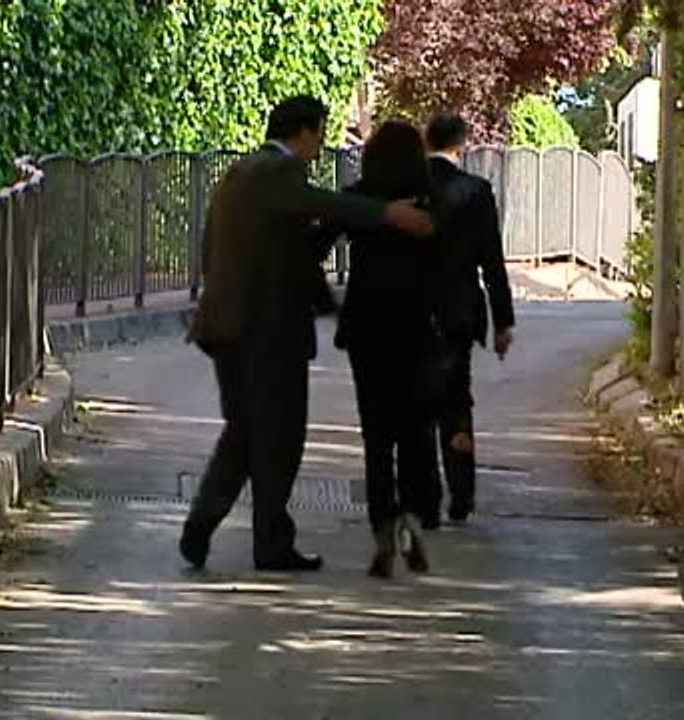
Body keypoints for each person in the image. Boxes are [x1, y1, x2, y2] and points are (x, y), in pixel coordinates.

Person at [181, 95, 434, 572]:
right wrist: (388, 214)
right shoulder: (280, 174)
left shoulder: (240, 172)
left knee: (243, 433)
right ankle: (271, 542)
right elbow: (323, 204)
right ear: (301, 132)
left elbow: (230, 243)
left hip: (226, 325)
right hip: (267, 332)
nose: (321, 144)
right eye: (319, 133)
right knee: (279, 437)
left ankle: (202, 525)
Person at [326, 120, 440, 578]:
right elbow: (450, 265)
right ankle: (413, 516)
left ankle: (381, 527)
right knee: (415, 431)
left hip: (367, 328)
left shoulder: (358, 198)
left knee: (376, 435)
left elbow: (315, 240)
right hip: (417, 327)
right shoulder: (432, 201)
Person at [424, 112, 516, 527]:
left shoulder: (410, 186)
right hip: (459, 312)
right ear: (461, 144)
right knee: (456, 401)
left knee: (417, 404)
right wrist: (503, 321)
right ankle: (460, 494)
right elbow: (491, 261)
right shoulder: (476, 192)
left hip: (412, 312)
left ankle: (422, 491)